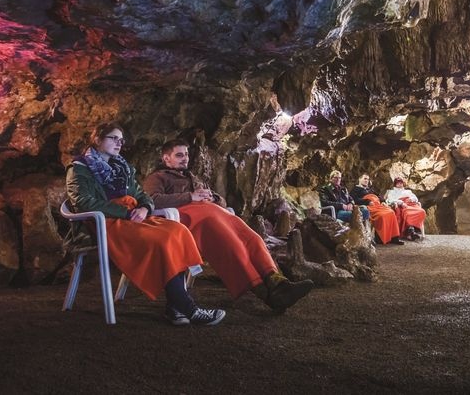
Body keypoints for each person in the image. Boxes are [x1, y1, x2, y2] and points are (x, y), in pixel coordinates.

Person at [65, 123, 225, 326]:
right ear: (97, 139)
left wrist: (144, 209)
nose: (119, 143)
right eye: (113, 138)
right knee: (160, 240)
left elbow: (142, 195)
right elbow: (83, 202)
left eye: (121, 140)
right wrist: (126, 212)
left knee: (177, 231)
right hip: (104, 222)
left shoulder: (121, 167)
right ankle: (189, 309)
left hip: (132, 217)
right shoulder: (79, 167)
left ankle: (176, 308)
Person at [143, 139, 314, 312]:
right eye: (179, 155)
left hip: (216, 214)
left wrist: (214, 198)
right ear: (166, 159)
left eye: (186, 154)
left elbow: (222, 201)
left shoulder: (193, 177)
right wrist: (190, 197)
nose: (185, 158)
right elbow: (152, 201)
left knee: (251, 239)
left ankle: (277, 282)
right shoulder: (157, 177)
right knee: (232, 245)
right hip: (193, 222)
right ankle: (263, 294)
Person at [353, 174, 404, 245]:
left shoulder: (369, 189)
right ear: (359, 179)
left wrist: (383, 201)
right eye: (365, 179)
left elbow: (378, 196)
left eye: (367, 179)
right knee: (382, 215)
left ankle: (394, 237)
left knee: (391, 212)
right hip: (369, 207)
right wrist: (367, 201)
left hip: (378, 205)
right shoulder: (355, 189)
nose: (366, 180)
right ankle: (379, 238)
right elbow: (354, 200)